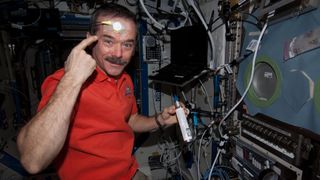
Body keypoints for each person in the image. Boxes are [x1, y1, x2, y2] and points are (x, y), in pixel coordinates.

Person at [17, 3, 184, 179]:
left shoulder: (125, 79)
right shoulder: (63, 82)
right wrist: (72, 79)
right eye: (108, 41)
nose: (118, 54)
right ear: (90, 40)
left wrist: (159, 120)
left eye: (127, 45)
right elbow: (32, 161)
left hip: (129, 173)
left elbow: (129, 120)